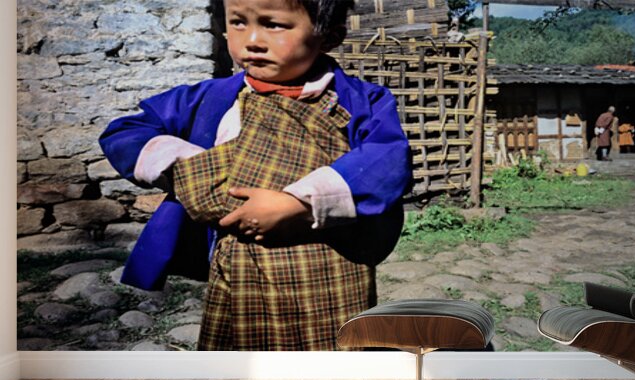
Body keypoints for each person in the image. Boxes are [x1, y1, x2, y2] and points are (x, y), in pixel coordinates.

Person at [99, 0, 412, 351]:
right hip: (238, 263)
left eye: (273, 24)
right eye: (238, 22)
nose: (252, 40)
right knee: (240, 361)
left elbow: (387, 160)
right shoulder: (209, 99)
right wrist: (194, 169)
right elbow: (124, 132)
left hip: (326, 263)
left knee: (330, 361)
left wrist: (298, 203)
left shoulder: (361, 101)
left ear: (329, 36)